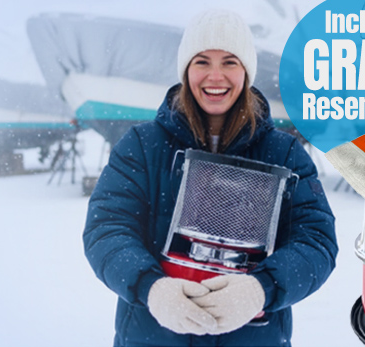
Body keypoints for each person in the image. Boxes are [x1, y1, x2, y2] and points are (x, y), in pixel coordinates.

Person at [82, 8, 338, 346]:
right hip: (152, 336)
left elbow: (316, 241)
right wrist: (152, 288)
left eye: (230, 62)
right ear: (186, 70)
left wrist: (260, 289)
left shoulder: (284, 153)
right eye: (202, 61)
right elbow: (107, 229)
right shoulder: (143, 145)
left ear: (246, 72)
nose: (215, 76)